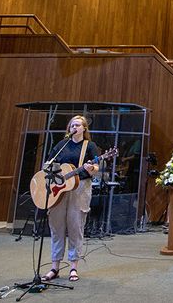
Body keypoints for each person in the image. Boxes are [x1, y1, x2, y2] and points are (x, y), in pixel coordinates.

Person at [44, 115, 102, 283]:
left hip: (80, 188)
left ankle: (73, 267)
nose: (74, 128)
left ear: (84, 129)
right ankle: (54, 267)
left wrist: (92, 168)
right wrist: (51, 170)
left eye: (77, 125)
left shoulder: (89, 146)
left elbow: (96, 167)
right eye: (72, 125)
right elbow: (49, 163)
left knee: (76, 226)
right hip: (59, 190)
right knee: (57, 226)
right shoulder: (61, 145)